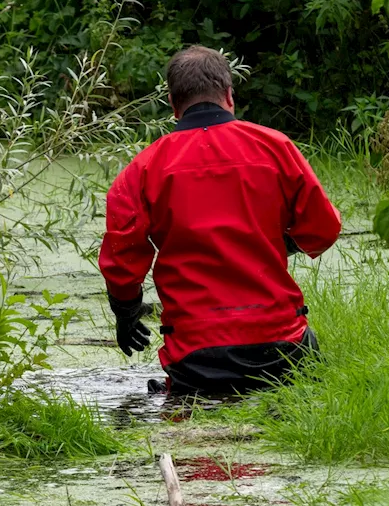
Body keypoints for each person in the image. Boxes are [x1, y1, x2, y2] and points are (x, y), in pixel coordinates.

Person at [99, 46, 342, 396]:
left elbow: (122, 259)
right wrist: (272, 242)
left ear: (172, 104)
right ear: (229, 94)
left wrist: (126, 314)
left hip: (197, 358)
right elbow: (324, 228)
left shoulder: (142, 170)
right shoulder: (277, 148)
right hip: (281, 348)